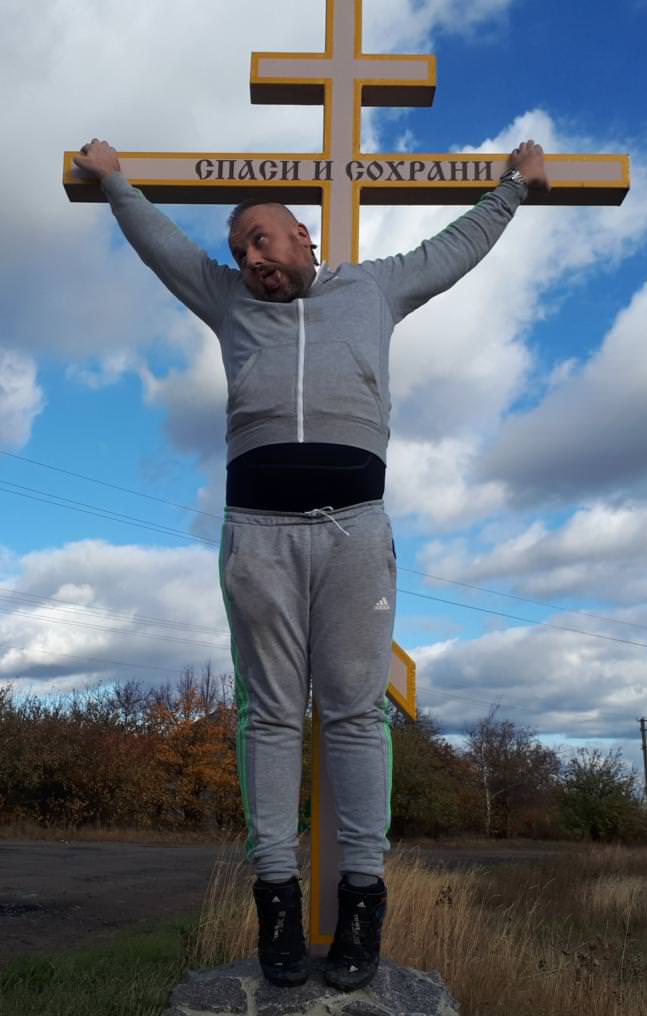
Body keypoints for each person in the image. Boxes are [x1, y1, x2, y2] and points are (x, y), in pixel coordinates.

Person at [73, 138, 549, 991]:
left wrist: (513, 189)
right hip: (258, 536)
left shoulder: (373, 289)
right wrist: (114, 182)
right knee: (269, 717)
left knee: (357, 715)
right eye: (239, 250)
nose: (250, 258)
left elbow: (455, 250)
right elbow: (162, 245)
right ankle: (276, 902)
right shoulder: (227, 301)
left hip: (354, 534)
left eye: (261, 238)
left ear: (303, 235)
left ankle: (364, 900)